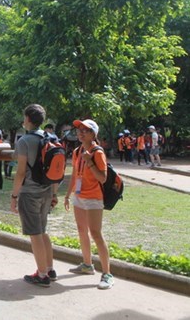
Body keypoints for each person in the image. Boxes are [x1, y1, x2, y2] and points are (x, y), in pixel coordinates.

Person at [10, 104, 58, 287]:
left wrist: (14, 196)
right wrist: (54, 194)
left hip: (29, 193)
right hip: (46, 192)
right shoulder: (51, 138)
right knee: (43, 231)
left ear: (27, 119)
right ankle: (50, 268)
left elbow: (21, 172)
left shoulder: (24, 142)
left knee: (35, 234)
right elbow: (55, 170)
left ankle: (42, 275)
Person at [64, 118, 114, 290]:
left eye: (85, 130)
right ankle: (87, 264)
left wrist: (90, 161)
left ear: (93, 134)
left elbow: (103, 178)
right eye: (79, 129)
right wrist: (67, 195)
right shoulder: (77, 151)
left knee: (96, 233)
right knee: (81, 230)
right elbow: (74, 175)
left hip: (94, 198)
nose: (80, 132)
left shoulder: (97, 152)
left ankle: (107, 273)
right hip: (79, 196)